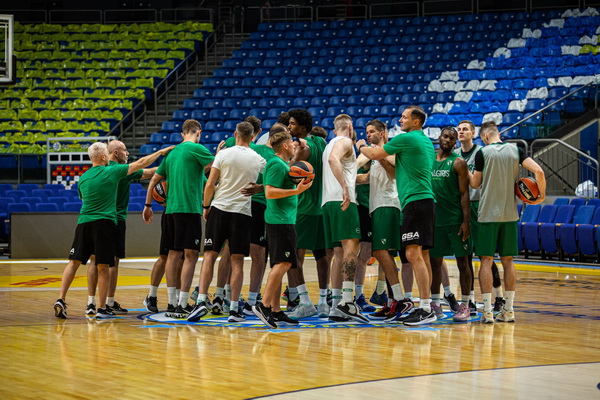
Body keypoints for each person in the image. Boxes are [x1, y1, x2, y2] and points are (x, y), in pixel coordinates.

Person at [54, 142, 172, 318]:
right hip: (106, 223)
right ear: (107, 156)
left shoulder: (84, 178)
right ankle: (104, 306)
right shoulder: (114, 171)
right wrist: (164, 155)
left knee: (76, 261)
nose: (126, 152)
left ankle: (69, 300)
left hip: (84, 222)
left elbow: (84, 198)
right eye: (124, 150)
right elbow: (143, 167)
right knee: (106, 265)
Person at [359, 105, 437, 326]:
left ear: (416, 122)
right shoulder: (424, 142)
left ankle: (424, 308)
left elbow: (374, 153)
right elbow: (394, 169)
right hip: (422, 201)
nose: (400, 120)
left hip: (416, 201)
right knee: (418, 256)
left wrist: (361, 145)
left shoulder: (408, 139)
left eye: (404, 117)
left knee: (413, 255)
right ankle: (425, 305)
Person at [188, 121, 266, 323]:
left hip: (220, 209)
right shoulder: (258, 158)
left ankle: (202, 301)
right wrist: (259, 188)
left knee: (210, 256)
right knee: (237, 261)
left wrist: (206, 207)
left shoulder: (223, 154)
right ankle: (233, 309)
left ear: (235, 134)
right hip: (242, 213)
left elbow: (211, 183)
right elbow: (275, 178)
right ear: (253, 137)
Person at [469, 121, 546, 323]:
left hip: (487, 214)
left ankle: (487, 311)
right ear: (497, 134)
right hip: (510, 214)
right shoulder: (516, 149)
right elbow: (539, 172)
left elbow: (475, 183)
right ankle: (509, 310)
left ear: (484, 137)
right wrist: (541, 196)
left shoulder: (482, 153)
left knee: (486, 261)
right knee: (508, 261)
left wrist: (465, 172)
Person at [142, 119, 214, 318]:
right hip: (189, 210)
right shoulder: (197, 149)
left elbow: (155, 179)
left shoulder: (172, 153)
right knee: (190, 256)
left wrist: (147, 205)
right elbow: (215, 167)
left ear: (183, 134)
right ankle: (183, 303)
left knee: (172, 255)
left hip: (170, 211)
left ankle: (172, 303)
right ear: (198, 132)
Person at [85, 140, 157, 316]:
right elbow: (147, 172)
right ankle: (108, 301)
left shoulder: (96, 171)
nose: (127, 154)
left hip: (92, 219)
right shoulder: (119, 170)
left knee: (94, 260)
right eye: (125, 150)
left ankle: (91, 302)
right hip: (113, 219)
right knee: (112, 262)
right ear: (115, 153)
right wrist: (172, 165)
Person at [252, 130, 313, 328]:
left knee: (280, 264)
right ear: (285, 145)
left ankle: (276, 311)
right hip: (280, 222)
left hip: (283, 220)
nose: (295, 145)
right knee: (284, 264)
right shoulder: (277, 164)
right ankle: (263, 306)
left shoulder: (283, 165)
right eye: (292, 143)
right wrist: (296, 190)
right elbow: (270, 193)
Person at [355, 120, 413, 322]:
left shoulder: (390, 151)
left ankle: (400, 299)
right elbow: (366, 177)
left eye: (372, 131)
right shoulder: (373, 155)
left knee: (380, 252)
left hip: (389, 205)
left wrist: (376, 156)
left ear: (383, 133)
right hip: (377, 207)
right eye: (367, 132)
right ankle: (391, 302)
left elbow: (394, 173)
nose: (369, 134)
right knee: (384, 254)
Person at [321, 114, 368, 323]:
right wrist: (345, 188)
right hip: (343, 202)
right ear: (350, 126)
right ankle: (348, 302)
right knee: (352, 250)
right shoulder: (346, 141)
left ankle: (336, 305)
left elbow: (342, 168)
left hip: (328, 203)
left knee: (338, 254)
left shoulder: (328, 144)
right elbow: (334, 161)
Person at [455, 120, 504, 315]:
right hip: (462, 207)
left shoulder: (482, 153)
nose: (461, 132)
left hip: (481, 205)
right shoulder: (454, 155)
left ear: (474, 133)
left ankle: (499, 296)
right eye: (458, 129)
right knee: (464, 257)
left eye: (465, 129)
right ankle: (470, 300)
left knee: (486, 256)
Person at [286, 109, 329, 319]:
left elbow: (287, 174)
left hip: (303, 208)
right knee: (322, 256)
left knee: (292, 258)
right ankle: (323, 301)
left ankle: (304, 301)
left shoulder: (303, 149)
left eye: (293, 124)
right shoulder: (321, 142)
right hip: (321, 208)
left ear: (303, 127)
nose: (289, 127)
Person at [428, 127, 472, 322]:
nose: (448, 140)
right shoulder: (429, 160)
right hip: (434, 221)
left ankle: (465, 304)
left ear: (455, 142)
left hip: (455, 221)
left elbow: (465, 194)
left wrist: (466, 221)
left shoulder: (458, 163)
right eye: (445, 136)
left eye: (452, 138)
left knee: (463, 263)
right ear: (439, 137)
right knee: (434, 264)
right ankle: (435, 303)